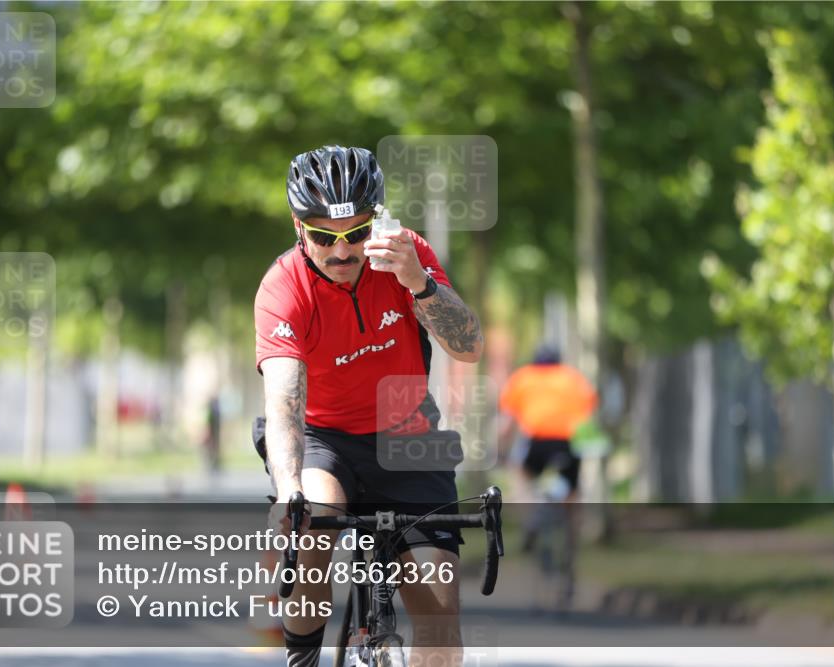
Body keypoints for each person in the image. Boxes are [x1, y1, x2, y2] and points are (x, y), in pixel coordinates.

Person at [253, 145, 483, 667]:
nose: (341, 252)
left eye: (356, 234)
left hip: (408, 434)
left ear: (376, 221)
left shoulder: (408, 254)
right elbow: (285, 397)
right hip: (322, 437)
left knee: (441, 617)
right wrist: (289, 490)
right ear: (298, 226)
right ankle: (303, 659)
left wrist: (419, 284)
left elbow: (468, 346)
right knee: (313, 520)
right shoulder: (282, 287)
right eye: (323, 237)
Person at [497, 344, 597, 611]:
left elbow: (506, 425)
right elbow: (588, 419)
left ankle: (531, 518)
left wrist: (500, 452)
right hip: (568, 445)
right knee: (573, 498)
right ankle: (573, 542)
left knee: (519, 473)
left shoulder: (522, 378)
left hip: (537, 444)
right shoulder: (574, 379)